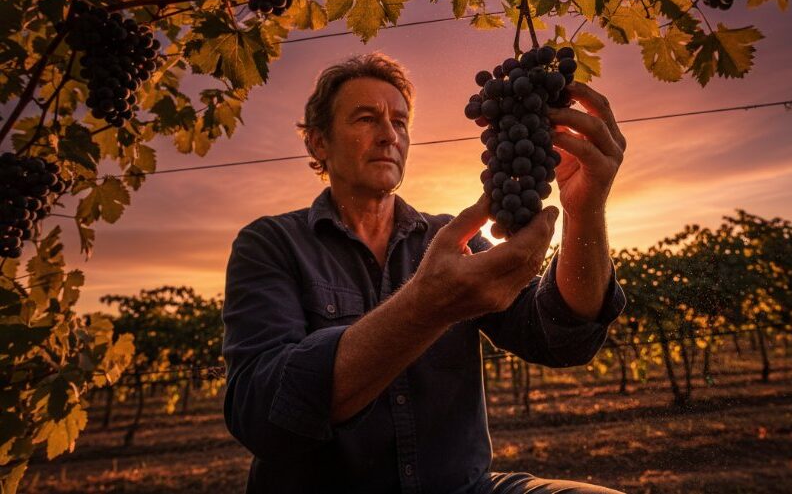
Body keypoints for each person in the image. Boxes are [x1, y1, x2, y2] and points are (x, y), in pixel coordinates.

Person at [222, 51, 629, 494]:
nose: (387, 135)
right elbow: (263, 415)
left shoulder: (450, 239)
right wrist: (427, 306)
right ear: (319, 143)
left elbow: (558, 335)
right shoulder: (270, 244)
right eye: (365, 119)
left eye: (399, 122)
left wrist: (584, 210)